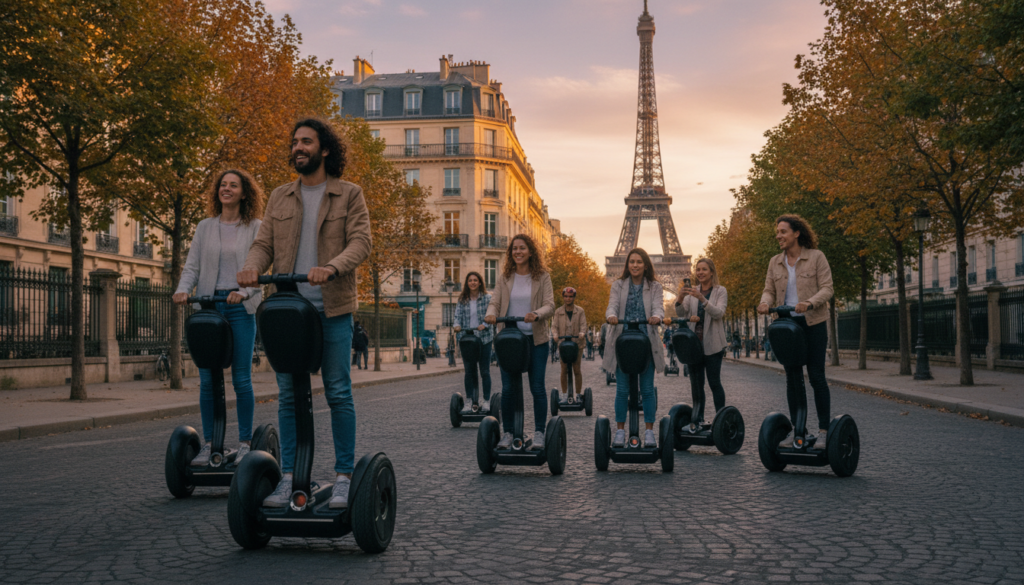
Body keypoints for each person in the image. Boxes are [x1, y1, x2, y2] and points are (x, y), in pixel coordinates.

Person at [238, 118, 371, 509]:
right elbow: (263, 244)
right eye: (294, 142)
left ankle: (344, 477)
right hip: (289, 309)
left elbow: (362, 242)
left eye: (306, 142)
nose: (298, 147)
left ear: (324, 149)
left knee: (338, 392)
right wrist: (250, 268)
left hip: (332, 308)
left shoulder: (349, 194)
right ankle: (292, 477)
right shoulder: (280, 196)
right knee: (288, 397)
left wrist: (332, 267)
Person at [173, 169, 265, 466]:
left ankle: (245, 443)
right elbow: (192, 265)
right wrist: (183, 290)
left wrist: (244, 292)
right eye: (223, 185)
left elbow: (259, 270)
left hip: (239, 307)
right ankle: (210, 443)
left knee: (240, 378)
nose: (226, 189)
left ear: (244, 192)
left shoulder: (255, 227)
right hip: (210, 308)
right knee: (208, 379)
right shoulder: (205, 227)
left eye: (233, 185)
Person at [757, 214, 834, 449]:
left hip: (812, 323)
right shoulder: (775, 262)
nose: (778, 236)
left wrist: (809, 302)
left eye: (783, 231)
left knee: (816, 376)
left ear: (796, 233)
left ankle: (823, 431)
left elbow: (827, 288)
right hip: (787, 324)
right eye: (777, 232)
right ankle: (798, 429)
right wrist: (764, 302)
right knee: (792, 378)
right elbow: (769, 289)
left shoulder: (816, 257)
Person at [484, 234, 555, 451]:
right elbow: (495, 302)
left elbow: (550, 304)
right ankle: (508, 433)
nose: (518, 252)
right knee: (508, 389)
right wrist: (490, 314)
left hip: (536, 340)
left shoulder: (542, 276)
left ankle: (540, 432)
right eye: (514, 248)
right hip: (510, 340)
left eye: (522, 248)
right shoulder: (505, 276)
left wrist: (536, 313)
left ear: (530, 251)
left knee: (537, 388)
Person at [602, 248, 664, 449]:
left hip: (646, 343)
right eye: (632, 262)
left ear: (645, 265)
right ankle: (620, 431)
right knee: (621, 390)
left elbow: (658, 307)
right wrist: (610, 315)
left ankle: (649, 432)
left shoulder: (654, 286)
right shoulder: (618, 285)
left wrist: (657, 317)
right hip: (623, 343)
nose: (635, 265)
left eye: (639, 262)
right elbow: (612, 305)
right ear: (627, 265)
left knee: (647, 390)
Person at [674, 258, 729, 434]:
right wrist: (680, 298)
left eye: (704, 269)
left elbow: (719, 313)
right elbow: (682, 314)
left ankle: (720, 420)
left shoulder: (720, 291)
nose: (700, 273)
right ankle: (697, 419)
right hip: (694, 345)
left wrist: (702, 300)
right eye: (698, 270)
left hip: (713, 344)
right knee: (696, 384)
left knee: (714, 383)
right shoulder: (693, 291)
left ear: (712, 272)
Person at [453, 272, 494, 404]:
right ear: (467, 283)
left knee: (484, 371)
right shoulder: (462, 299)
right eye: (470, 280)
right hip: (468, 340)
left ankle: (486, 400)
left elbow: (492, 314)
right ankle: (470, 401)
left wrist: (485, 324)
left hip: (484, 339)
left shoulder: (488, 298)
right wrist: (457, 325)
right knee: (469, 372)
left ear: (480, 282)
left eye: (475, 280)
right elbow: (457, 316)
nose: (473, 282)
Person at [551, 287, 586, 402]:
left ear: (574, 297)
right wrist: (555, 335)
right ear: (563, 297)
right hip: (563, 345)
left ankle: (579, 394)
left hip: (577, 344)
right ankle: (565, 394)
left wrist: (582, 332)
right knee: (564, 369)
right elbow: (554, 326)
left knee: (576, 369)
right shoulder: (558, 311)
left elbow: (583, 325)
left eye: (570, 296)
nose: (568, 299)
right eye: (566, 296)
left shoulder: (580, 311)